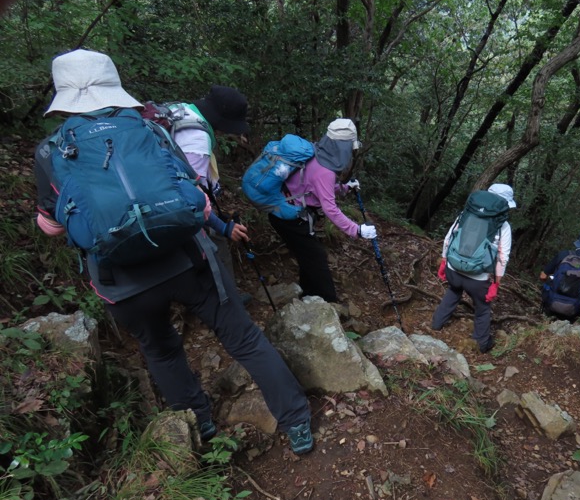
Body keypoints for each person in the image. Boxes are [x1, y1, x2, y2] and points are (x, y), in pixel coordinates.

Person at [34, 49, 313, 454]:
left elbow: (51, 226)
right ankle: (297, 423)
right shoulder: (151, 129)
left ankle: (199, 424)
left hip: (121, 281)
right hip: (186, 261)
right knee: (245, 340)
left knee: (161, 351)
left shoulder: (49, 152)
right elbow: (197, 202)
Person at [151, 87, 252, 303]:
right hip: (172, 203)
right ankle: (227, 300)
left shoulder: (182, 110)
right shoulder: (196, 139)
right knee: (215, 242)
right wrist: (223, 227)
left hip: (154, 193)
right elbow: (191, 197)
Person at [268, 118, 376, 303]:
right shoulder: (325, 170)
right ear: (343, 147)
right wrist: (357, 230)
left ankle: (308, 295)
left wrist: (345, 188)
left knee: (308, 255)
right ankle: (329, 304)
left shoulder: (316, 153)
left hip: (283, 210)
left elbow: (314, 188)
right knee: (317, 258)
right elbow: (330, 208)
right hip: (289, 217)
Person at [431, 183, 515, 353]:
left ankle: (436, 324)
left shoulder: (465, 214)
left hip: (453, 269)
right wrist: (496, 282)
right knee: (483, 309)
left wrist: (444, 261)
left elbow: (449, 238)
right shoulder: (503, 225)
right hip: (478, 279)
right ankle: (482, 343)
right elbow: (503, 257)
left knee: (453, 291)